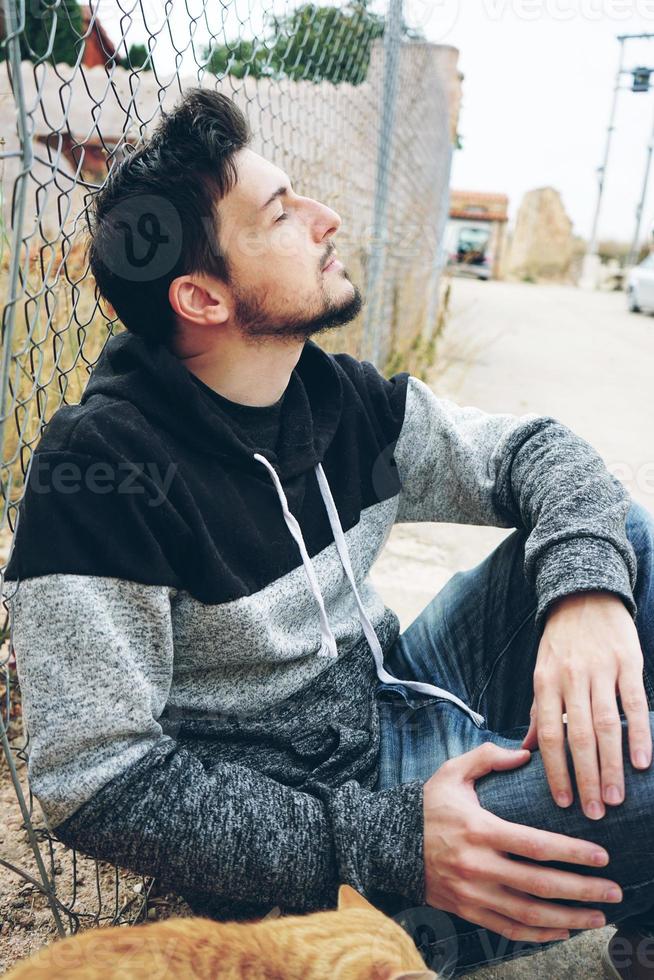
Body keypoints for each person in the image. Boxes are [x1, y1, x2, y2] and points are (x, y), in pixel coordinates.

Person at [4, 88, 654, 979]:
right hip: (327, 848)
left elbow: (535, 452)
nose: (325, 218)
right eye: (281, 214)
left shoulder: (334, 398)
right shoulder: (106, 473)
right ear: (200, 295)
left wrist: (587, 596)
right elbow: (98, 781)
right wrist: (387, 842)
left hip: (407, 689)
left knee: (619, 538)